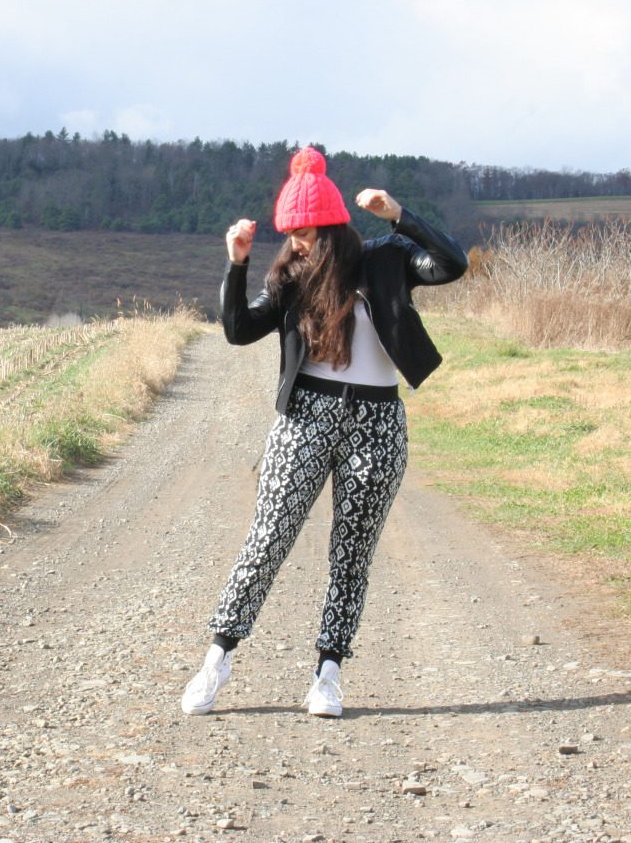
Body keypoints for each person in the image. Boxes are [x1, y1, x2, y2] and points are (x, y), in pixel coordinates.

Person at [181, 146, 468, 717]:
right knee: (268, 540)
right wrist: (236, 264)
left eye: (307, 232)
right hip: (305, 417)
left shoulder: (386, 261)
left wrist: (399, 215)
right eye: (291, 233)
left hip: (377, 421)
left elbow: (452, 263)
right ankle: (217, 659)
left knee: (352, 554)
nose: (298, 242)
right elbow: (238, 330)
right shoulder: (291, 275)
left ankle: (328, 675)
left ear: (334, 227)